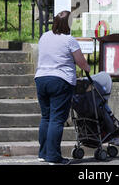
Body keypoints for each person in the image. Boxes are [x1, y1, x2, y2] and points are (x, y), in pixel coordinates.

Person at [34, 10, 90, 165]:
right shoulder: (69, 40)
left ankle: (43, 153)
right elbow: (81, 62)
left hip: (41, 79)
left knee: (46, 117)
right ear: (68, 24)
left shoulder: (44, 36)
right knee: (57, 119)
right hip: (60, 81)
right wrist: (88, 68)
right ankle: (53, 156)